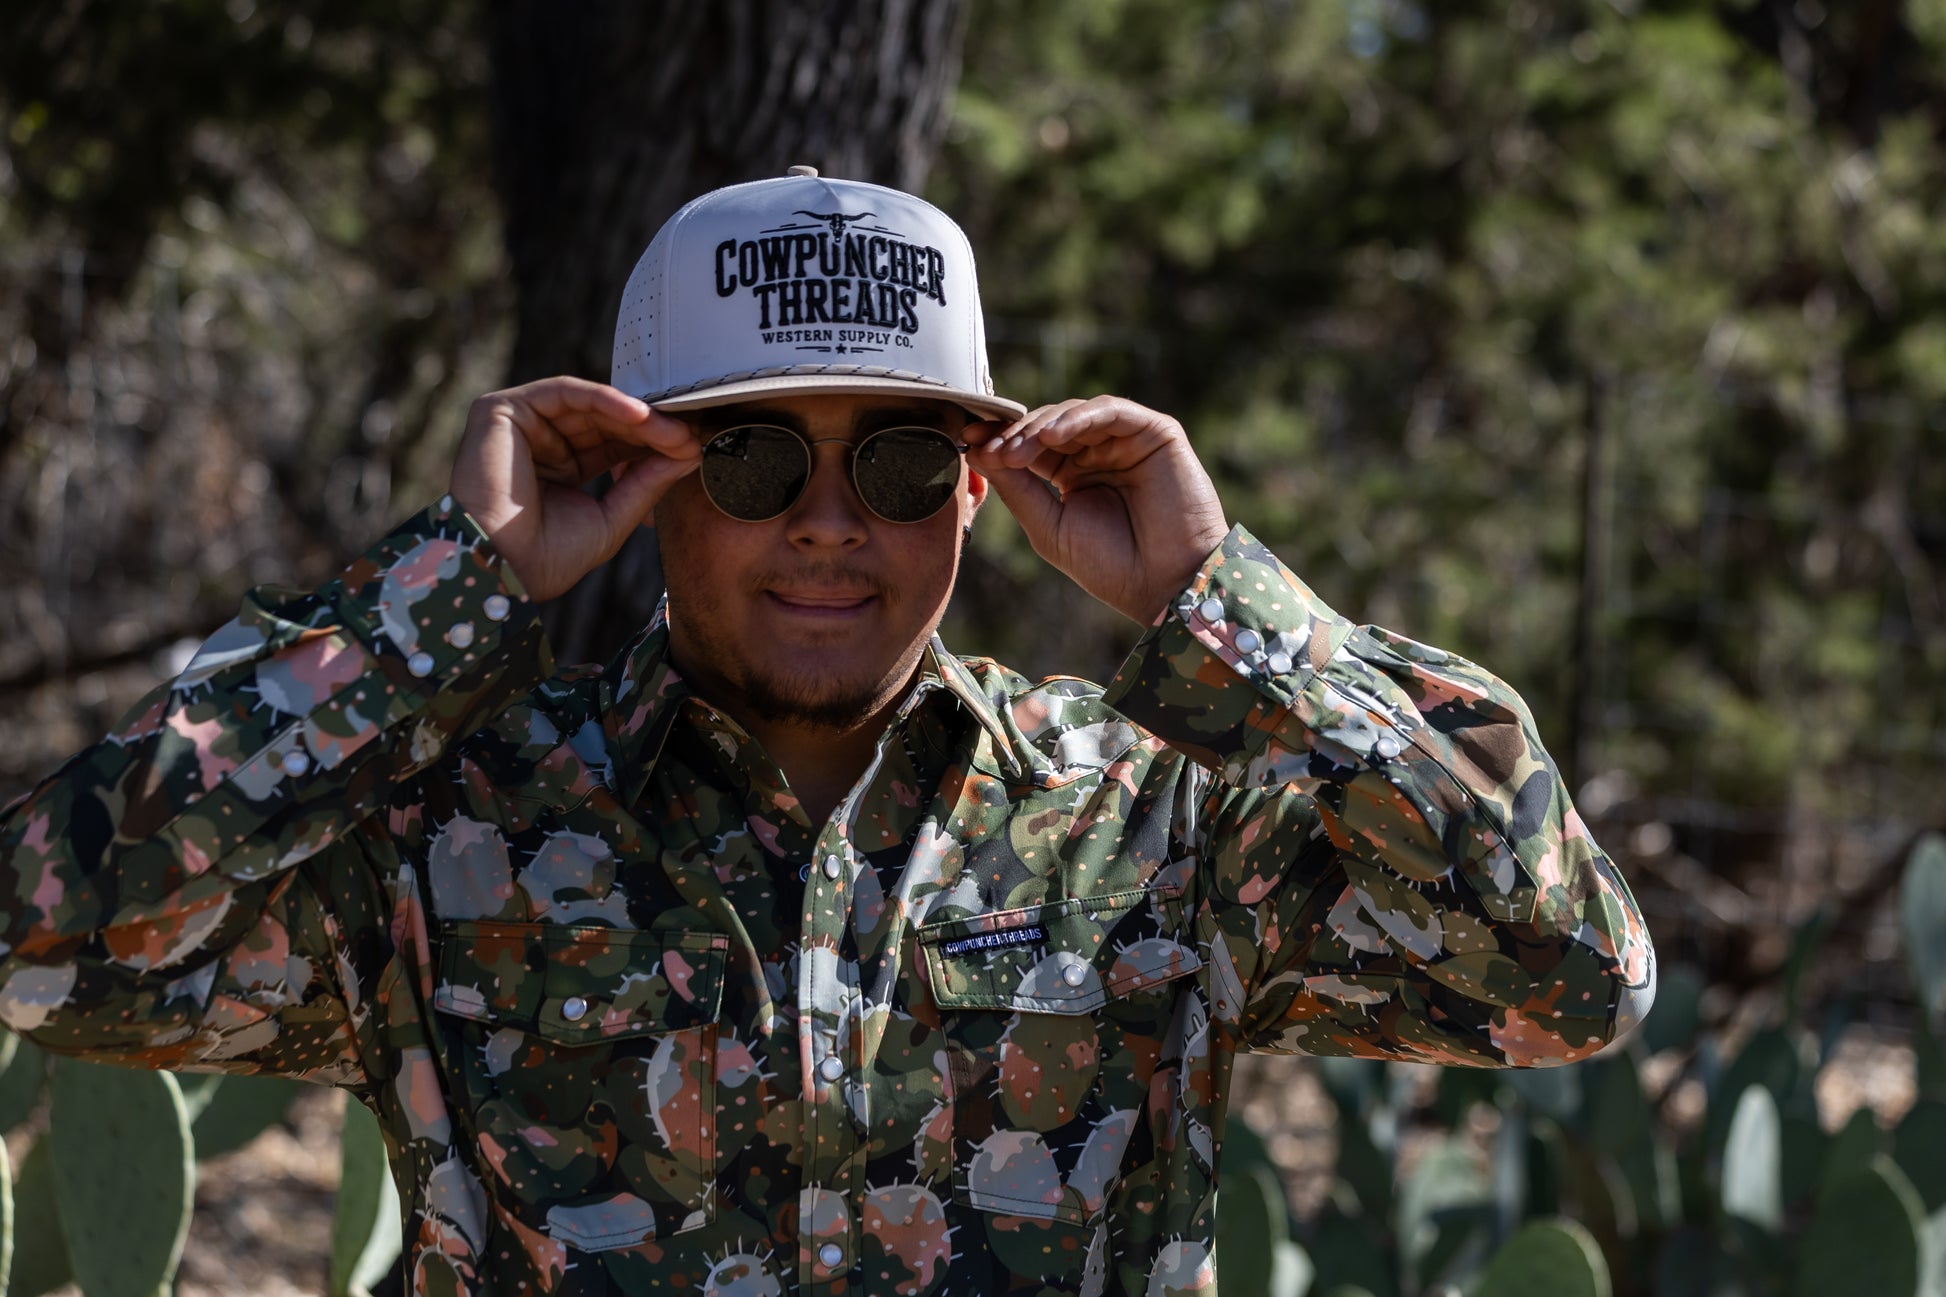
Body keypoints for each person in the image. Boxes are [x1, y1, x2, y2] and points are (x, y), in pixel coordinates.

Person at [0, 169, 1653, 1297]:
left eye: (899, 463)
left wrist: (1222, 607)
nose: (826, 524)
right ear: (639, 479)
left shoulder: (1151, 824)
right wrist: (447, 592)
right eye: (752, 459)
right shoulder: (456, 835)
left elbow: (1572, 970)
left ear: (979, 485)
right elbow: (43, 936)